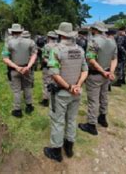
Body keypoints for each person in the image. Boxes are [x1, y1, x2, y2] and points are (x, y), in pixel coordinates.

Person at [43, 22, 88, 162]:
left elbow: (55, 74)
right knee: (72, 119)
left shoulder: (56, 50)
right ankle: (69, 148)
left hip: (62, 93)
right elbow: (85, 70)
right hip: (76, 92)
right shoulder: (80, 50)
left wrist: (69, 87)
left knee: (58, 121)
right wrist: (77, 86)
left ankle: (56, 151)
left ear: (60, 34)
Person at [78, 22, 117, 136]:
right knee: (104, 96)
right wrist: (110, 72)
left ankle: (91, 124)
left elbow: (91, 59)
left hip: (96, 74)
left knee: (93, 100)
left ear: (94, 30)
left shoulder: (93, 41)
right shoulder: (111, 41)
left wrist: (102, 71)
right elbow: (114, 59)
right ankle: (103, 117)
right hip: (106, 74)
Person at [2, 23, 38, 118]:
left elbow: (5, 58)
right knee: (27, 87)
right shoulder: (30, 42)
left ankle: (17, 110)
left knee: (17, 90)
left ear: (12, 32)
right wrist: (28, 66)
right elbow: (34, 55)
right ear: (21, 31)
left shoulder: (8, 43)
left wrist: (17, 67)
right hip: (27, 68)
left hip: (14, 69)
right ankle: (29, 106)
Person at [40, 31, 59, 107]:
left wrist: (51, 63)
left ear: (48, 37)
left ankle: (46, 100)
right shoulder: (59, 45)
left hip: (48, 67)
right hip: (58, 68)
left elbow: (44, 58)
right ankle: (55, 99)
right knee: (56, 82)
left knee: (46, 83)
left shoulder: (47, 46)